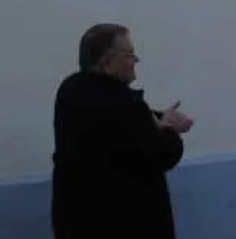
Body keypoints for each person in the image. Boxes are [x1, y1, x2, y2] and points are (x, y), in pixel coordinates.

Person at [52, 23, 194, 239]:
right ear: (107, 63)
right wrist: (170, 128)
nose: (135, 61)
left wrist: (158, 119)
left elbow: (120, 129)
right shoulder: (125, 105)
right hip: (124, 223)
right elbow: (164, 154)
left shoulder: (70, 91)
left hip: (77, 221)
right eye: (129, 55)